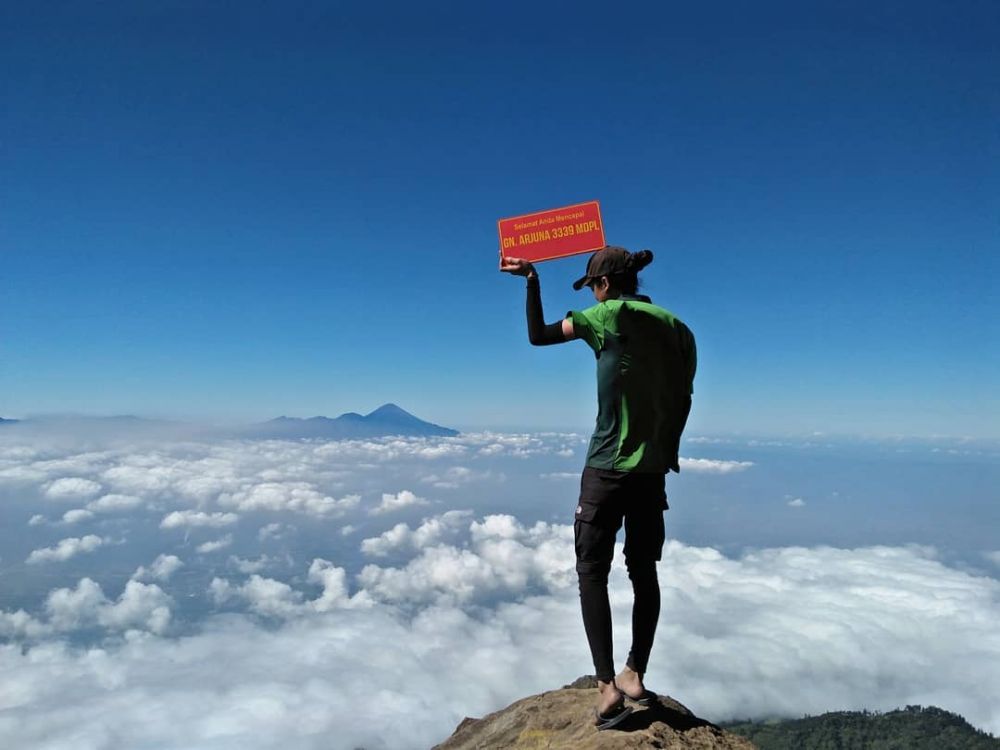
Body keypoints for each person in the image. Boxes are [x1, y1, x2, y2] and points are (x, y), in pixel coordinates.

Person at [501, 246, 696, 730]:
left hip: (607, 466)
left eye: (592, 286)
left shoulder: (604, 316)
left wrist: (531, 280)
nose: (591, 294)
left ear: (604, 285)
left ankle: (607, 686)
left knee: (592, 570)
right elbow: (683, 395)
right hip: (652, 470)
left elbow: (538, 336)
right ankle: (635, 672)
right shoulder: (679, 329)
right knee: (644, 570)